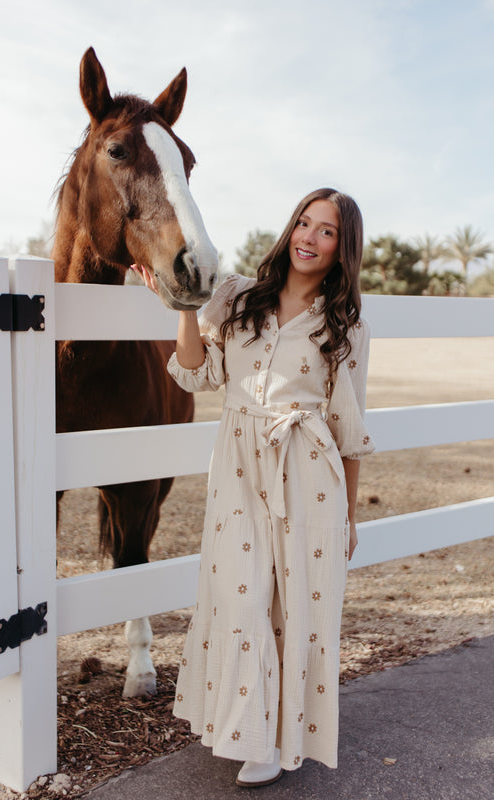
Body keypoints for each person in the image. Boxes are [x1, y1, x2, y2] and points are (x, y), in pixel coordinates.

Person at [141, 187, 374, 787]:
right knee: (241, 597)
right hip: (238, 467)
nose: (309, 237)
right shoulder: (239, 296)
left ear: (342, 248)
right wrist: (183, 308)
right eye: (304, 223)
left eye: (326, 231)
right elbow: (198, 374)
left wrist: (349, 517)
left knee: (293, 607)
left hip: (309, 471)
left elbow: (348, 430)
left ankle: (270, 740)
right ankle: (244, 726)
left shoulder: (345, 326)